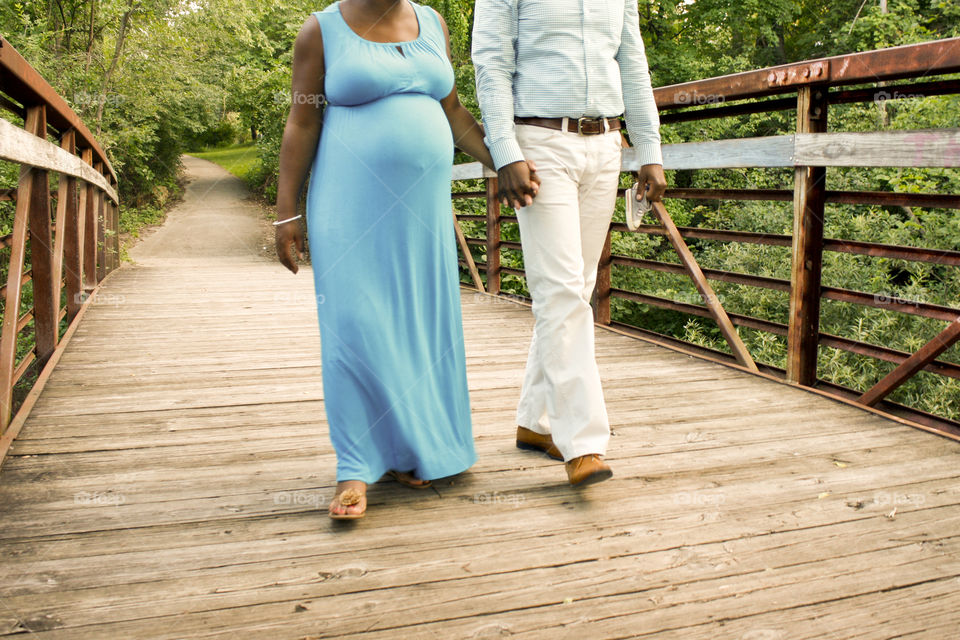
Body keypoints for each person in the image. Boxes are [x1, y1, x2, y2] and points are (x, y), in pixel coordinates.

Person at [274, 0, 535, 519]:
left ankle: (413, 448)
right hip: (347, 206)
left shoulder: (433, 22)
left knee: (419, 323)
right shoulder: (321, 30)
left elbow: (453, 113)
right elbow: (302, 122)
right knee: (354, 325)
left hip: (421, 212)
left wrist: (505, 160)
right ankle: (355, 466)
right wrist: (286, 214)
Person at [472, 0, 667, 486]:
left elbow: (633, 62)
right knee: (558, 289)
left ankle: (535, 422)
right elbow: (492, 64)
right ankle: (582, 443)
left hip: (604, 146)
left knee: (574, 290)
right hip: (538, 145)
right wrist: (505, 151)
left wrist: (650, 149)